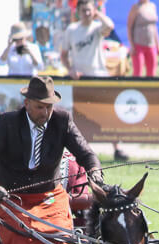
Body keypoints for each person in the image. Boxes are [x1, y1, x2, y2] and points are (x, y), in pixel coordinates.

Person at [0, 75, 103, 244]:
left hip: (50, 197)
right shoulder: (8, 122)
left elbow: (86, 154)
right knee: (20, 234)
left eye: (49, 107)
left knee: (61, 236)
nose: (45, 112)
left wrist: (95, 172)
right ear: (26, 103)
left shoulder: (62, 120)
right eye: (40, 107)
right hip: (11, 197)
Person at [60, 0, 128, 160]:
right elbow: (63, 54)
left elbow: (110, 26)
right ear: (78, 12)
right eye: (83, 10)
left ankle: (117, 148)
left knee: (107, 114)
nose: (87, 13)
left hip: (99, 77)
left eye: (89, 10)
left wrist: (98, 14)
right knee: (81, 117)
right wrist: (70, 69)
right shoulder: (72, 30)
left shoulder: (97, 27)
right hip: (81, 79)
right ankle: (80, 151)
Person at [128, 0, 159, 77]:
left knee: (151, 73)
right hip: (138, 44)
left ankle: (151, 85)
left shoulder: (152, 6)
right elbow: (129, 27)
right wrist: (132, 45)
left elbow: (154, 27)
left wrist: (158, 45)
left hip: (151, 44)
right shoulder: (135, 7)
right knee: (138, 72)